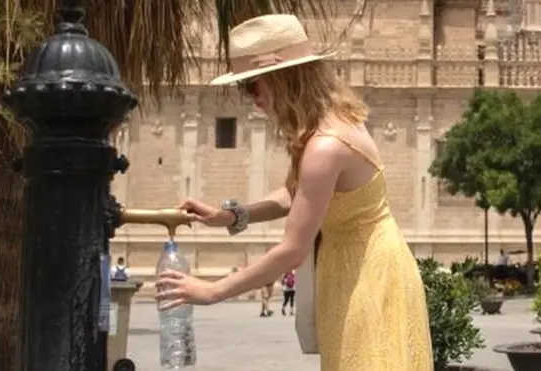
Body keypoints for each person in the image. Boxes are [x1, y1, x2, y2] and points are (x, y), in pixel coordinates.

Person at [155, 14, 433, 370]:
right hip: (360, 267)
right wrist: (236, 216)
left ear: (284, 79)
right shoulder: (337, 122)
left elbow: (292, 250)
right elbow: (302, 194)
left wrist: (211, 291)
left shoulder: (324, 147)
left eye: (253, 85)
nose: (251, 97)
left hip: (368, 277)